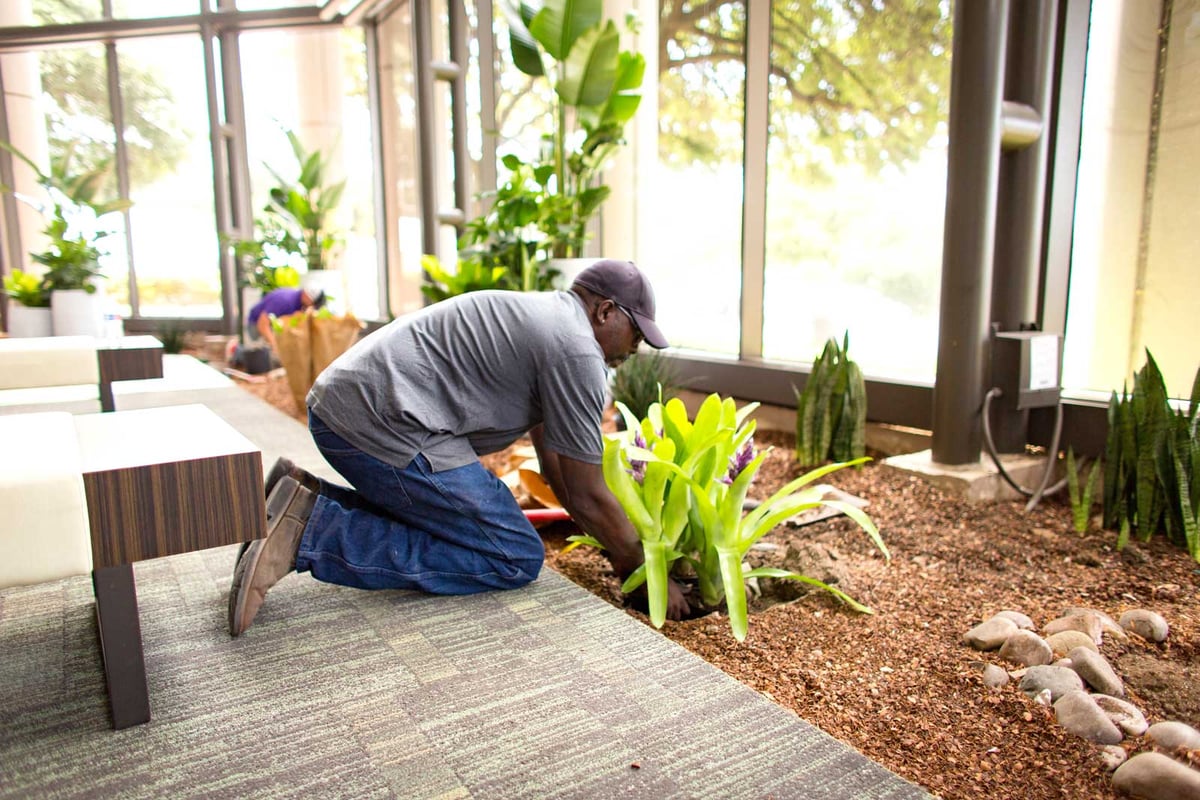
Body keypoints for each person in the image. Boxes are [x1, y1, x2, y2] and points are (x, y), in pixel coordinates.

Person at [229, 259, 691, 636]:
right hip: (383, 425)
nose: (635, 348)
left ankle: (301, 498)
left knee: (468, 523)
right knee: (512, 553)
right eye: (637, 332)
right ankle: (309, 533)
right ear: (605, 311)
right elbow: (588, 491)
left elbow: (562, 473)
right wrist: (650, 575)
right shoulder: (576, 350)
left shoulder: (551, 323)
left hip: (351, 411)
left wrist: (622, 559)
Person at [246, 286, 325, 349]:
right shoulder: (285, 301)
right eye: (312, 304)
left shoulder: (298, 302)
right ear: (307, 296)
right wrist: (275, 346)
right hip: (256, 326)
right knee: (260, 356)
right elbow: (262, 324)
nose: (311, 306)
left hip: (269, 326)